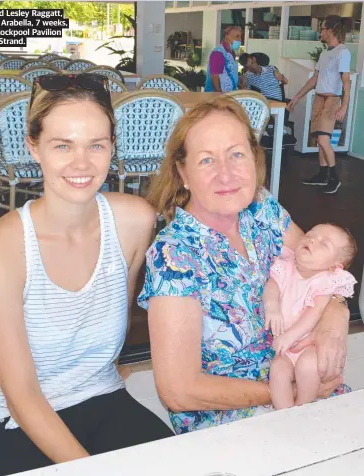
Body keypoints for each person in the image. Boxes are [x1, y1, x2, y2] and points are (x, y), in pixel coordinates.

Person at [0, 73, 173, 476]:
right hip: (17, 417)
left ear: (111, 146)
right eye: (62, 145)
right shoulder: (1, 249)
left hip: (100, 394)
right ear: (34, 147)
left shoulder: (134, 220)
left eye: (96, 145)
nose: (81, 164)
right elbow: (22, 397)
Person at [138, 95, 351, 435]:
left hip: (295, 371)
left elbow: (322, 270)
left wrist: (335, 316)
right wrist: (288, 393)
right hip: (230, 412)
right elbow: (179, 391)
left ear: (254, 158)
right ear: (183, 172)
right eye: (207, 160)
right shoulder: (175, 255)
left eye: (237, 154)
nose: (227, 174)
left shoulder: (263, 209)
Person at [264, 224, 357, 410]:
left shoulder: (325, 281)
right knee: (278, 370)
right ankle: (284, 414)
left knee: (308, 367)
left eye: (324, 244)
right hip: (286, 346)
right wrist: (271, 307)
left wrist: (290, 336)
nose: (312, 239)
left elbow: (312, 314)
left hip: (310, 345)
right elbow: (271, 288)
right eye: (309, 234)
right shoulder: (285, 266)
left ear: (334, 266)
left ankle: (303, 408)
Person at [288, 15, 351, 194]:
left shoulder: (342, 52)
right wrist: (297, 96)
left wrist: (344, 106)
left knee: (324, 139)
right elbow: (315, 79)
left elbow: (346, 81)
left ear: (330, 31)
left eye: (322, 29)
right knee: (319, 140)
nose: (320, 32)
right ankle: (322, 175)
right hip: (319, 98)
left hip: (331, 100)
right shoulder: (325, 53)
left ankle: (334, 178)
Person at [204, 25, 242, 92]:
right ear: (227, 36)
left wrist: (239, 79)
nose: (239, 39)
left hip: (229, 95)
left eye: (240, 36)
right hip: (217, 96)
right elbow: (214, 76)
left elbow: (229, 73)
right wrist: (219, 94)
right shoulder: (218, 53)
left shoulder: (231, 53)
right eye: (237, 36)